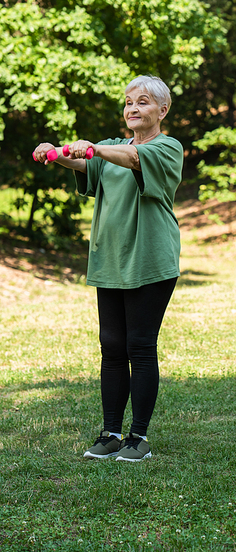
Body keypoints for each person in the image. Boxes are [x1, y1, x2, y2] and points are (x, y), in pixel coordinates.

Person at [33, 75, 183, 462]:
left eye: (144, 102)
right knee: (112, 347)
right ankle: (111, 433)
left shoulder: (167, 148)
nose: (133, 108)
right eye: (129, 102)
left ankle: (139, 438)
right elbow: (81, 161)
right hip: (111, 259)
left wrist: (92, 149)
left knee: (140, 345)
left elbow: (132, 159)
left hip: (150, 260)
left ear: (162, 110)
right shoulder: (112, 147)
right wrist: (54, 152)